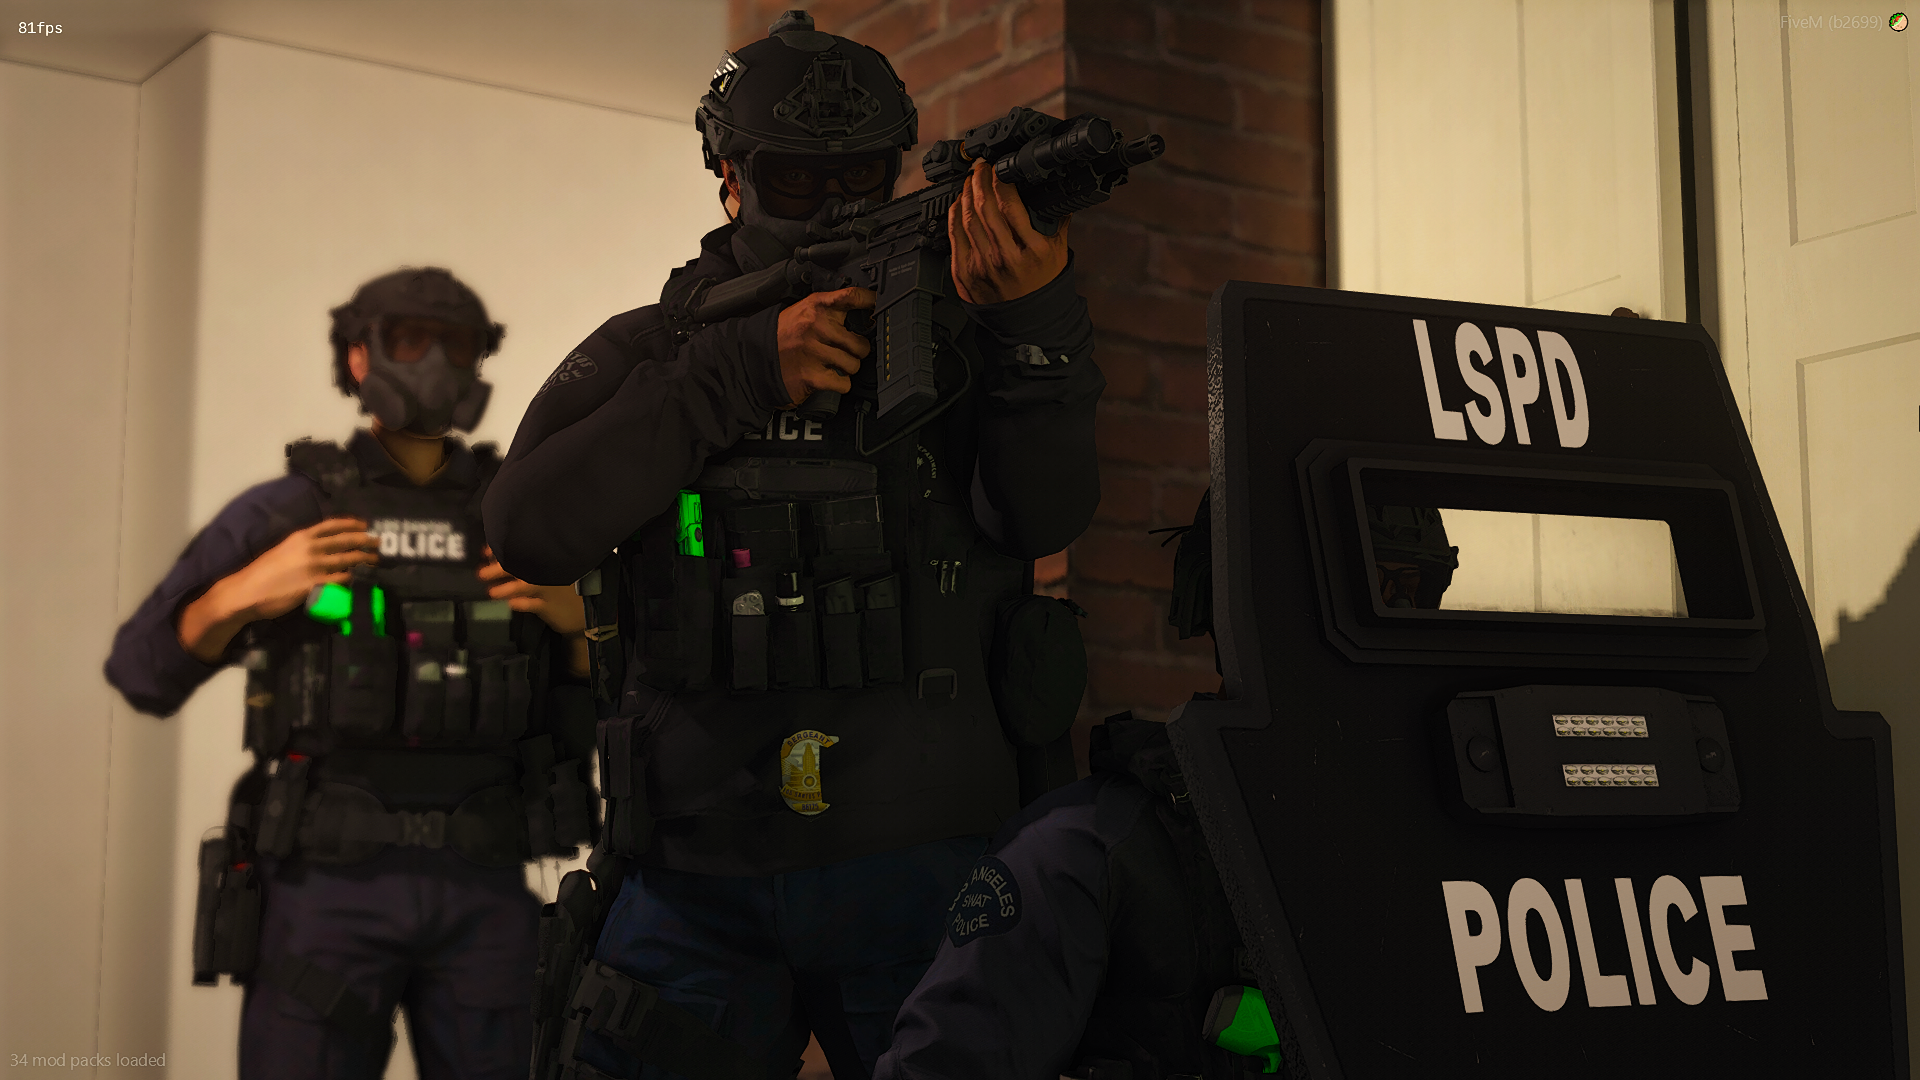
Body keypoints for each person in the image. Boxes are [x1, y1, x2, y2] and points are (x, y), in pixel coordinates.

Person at [485, 10, 1103, 1079]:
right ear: (730, 179)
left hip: (922, 852)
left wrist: (1037, 324)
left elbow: (1042, 520)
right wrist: (729, 377)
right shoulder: (659, 348)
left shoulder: (958, 332)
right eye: (797, 179)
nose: (836, 203)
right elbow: (526, 529)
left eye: (862, 174)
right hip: (694, 866)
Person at [104, 267, 599, 1080]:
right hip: (326, 884)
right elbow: (141, 670)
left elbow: (601, 705)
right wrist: (242, 593)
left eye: (456, 344)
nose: (433, 362)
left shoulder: (516, 517)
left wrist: (581, 626)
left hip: (485, 877)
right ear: (359, 356)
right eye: (409, 339)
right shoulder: (293, 510)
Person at [873, 497, 1465, 1079]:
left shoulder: (1437, 849)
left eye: (1412, 596)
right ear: (1245, 609)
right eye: (1361, 597)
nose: (1388, 630)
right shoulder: (1083, 853)